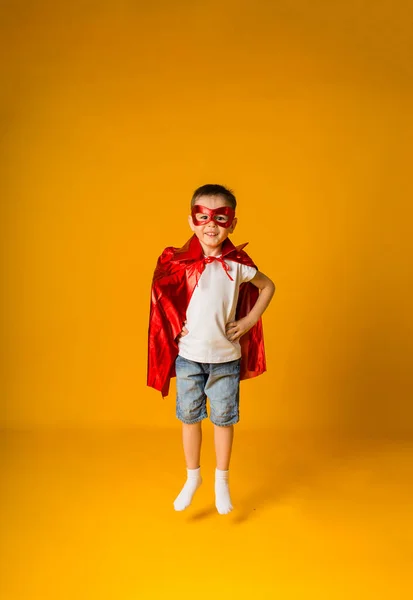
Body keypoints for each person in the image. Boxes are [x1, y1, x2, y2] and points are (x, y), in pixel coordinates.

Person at [147, 184, 275, 514]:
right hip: (189, 358)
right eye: (202, 216)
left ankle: (222, 480)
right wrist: (175, 326)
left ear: (232, 224)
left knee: (222, 419)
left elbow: (268, 286)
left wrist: (247, 322)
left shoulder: (237, 265)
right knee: (189, 418)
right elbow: (161, 297)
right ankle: (193, 477)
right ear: (191, 221)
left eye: (220, 218)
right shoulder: (179, 264)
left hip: (225, 359)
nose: (211, 225)